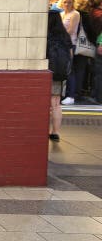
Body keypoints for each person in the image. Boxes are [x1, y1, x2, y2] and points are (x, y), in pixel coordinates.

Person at [47, 10, 72, 142]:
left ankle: (42, 130)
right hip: (60, 75)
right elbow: (70, 55)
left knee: (44, 104)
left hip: (47, 74)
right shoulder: (64, 35)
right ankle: (55, 132)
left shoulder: (45, 36)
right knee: (56, 104)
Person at [60, 0, 81, 105]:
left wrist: (58, 34)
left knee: (70, 70)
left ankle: (71, 96)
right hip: (61, 44)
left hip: (70, 44)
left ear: (73, 3)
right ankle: (65, 93)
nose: (67, 4)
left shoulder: (75, 14)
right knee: (64, 69)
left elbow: (71, 30)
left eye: (69, 2)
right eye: (65, 2)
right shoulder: (62, 14)